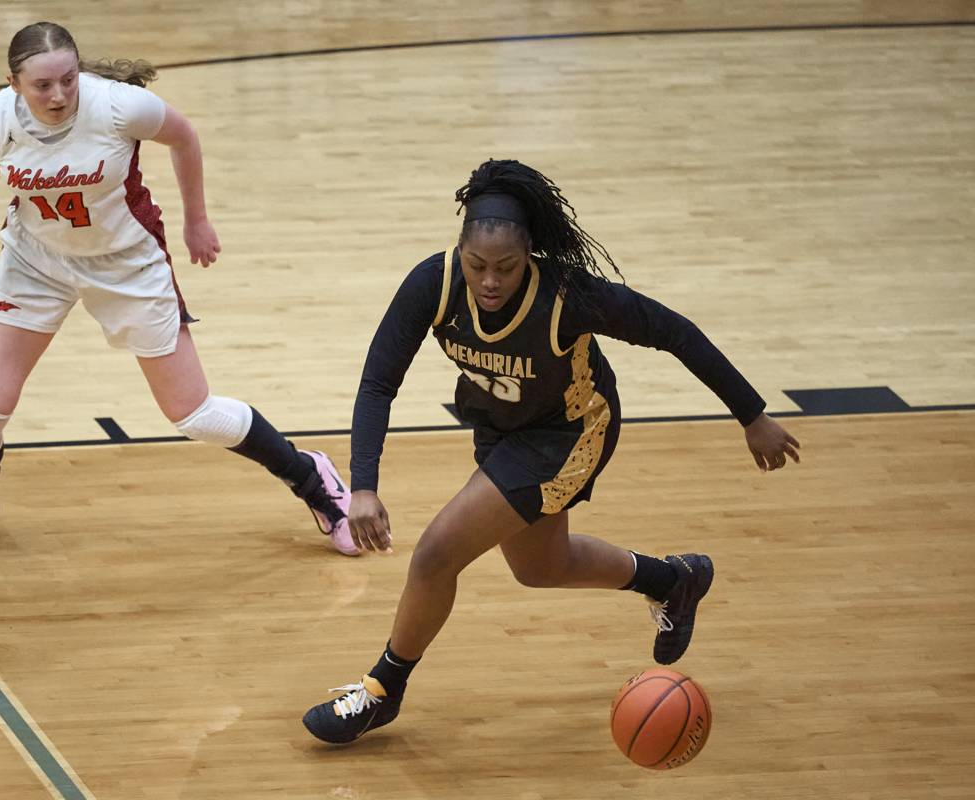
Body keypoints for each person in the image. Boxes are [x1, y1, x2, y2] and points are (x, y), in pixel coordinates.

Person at [302, 159, 801, 743]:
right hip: (499, 426)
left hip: (570, 432)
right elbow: (377, 382)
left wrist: (751, 413)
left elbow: (676, 332)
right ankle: (672, 579)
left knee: (436, 553)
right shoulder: (433, 283)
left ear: (530, 255)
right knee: (539, 568)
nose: (489, 281)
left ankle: (383, 691)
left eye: (506, 268)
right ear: (459, 250)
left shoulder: (568, 296)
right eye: (477, 265)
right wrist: (363, 485)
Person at [0, 21, 357, 556]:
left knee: (194, 415)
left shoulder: (120, 107)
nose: (58, 96)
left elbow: (185, 137)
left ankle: (312, 478)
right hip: (36, 261)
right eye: (42, 85)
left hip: (127, 262)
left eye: (68, 80)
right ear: (13, 82)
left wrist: (197, 220)